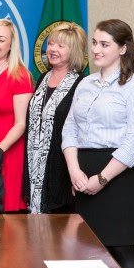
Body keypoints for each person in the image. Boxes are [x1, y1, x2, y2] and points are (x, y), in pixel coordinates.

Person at [62, 19, 134, 268]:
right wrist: (75, 170)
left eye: (105, 44)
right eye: (94, 42)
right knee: (89, 248)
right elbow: (69, 130)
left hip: (120, 175)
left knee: (121, 248)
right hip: (83, 170)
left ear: (123, 49)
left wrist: (101, 179)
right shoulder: (86, 84)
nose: (96, 50)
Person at [24, 22, 87, 214]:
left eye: (60, 46)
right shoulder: (43, 78)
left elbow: (82, 131)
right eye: (51, 44)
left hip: (62, 171)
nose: (52, 49)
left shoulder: (82, 84)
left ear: (74, 50)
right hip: (34, 167)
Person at [0, 19, 33, 212]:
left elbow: (21, 123)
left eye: (1, 39)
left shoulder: (19, 75)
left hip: (7, 152)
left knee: (8, 218)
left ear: (11, 45)